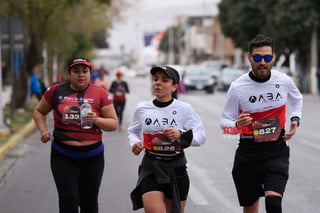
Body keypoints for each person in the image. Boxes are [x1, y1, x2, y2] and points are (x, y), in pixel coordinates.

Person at [220, 34, 303, 213]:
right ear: (249, 57)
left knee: (273, 203)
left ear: (273, 57)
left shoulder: (283, 81)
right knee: (250, 208)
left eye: (267, 57)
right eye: (257, 57)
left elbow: (297, 99)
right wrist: (237, 124)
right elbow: (224, 124)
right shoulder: (237, 87)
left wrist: (295, 118)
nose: (263, 62)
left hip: (276, 150)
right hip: (248, 153)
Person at [33, 57, 118, 213]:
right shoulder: (56, 91)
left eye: (85, 71)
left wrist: (96, 119)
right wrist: (43, 131)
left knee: (89, 204)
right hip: (63, 155)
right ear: (69, 73)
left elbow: (113, 124)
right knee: (68, 202)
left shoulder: (99, 93)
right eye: (76, 71)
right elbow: (39, 111)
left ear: (90, 74)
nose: (81, 75)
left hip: (93, 157)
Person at [128, 65, 206, 213]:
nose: (158, 83)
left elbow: (201, 137)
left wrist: (180, 134)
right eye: (155, 79)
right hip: (151, 166)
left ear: (175, 87)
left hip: (177, 168)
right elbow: (133, 131)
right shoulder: (142, 108)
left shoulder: (185, 109)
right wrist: (135, 142)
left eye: (164, 80)